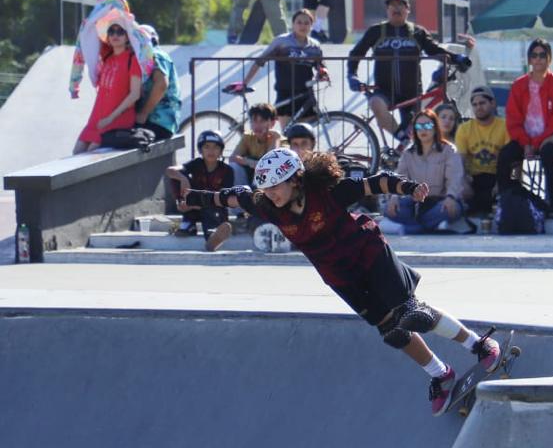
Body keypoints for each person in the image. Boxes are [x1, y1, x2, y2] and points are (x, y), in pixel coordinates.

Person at [182, 147, 502, 415]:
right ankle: (441, 374)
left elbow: (375, 183)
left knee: (411, 313)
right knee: (392, 331)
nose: (271, 194)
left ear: (296, 179)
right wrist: (195, 197)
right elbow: (232, 197)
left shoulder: (329, 193)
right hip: (339, 275)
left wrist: (407, 188)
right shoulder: (266, 204)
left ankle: (479, 344)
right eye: (266, 188)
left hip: (369, 253)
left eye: (277, 186)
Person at [346, 0, 470, 140]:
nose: (396, 8)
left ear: (408, 9)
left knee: (415, 132)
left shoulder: (418, 32)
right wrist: (352, 76)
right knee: (375, 103)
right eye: (392, 5)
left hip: (411, 94)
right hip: (384, 91)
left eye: (401, 5)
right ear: (387, 9)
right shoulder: (376, 31)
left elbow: (434, 50)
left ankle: (402, 151)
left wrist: (456, 58)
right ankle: (400, 138)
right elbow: (356, 53)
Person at [497, 38, 553, 213]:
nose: (538, 59)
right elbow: (513, 118)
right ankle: (506, 201)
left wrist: (537, 143)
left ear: (549, 58)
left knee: (548, 153)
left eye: (542, 55)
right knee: (505, 155)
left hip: (548, 138)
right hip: (524, 139)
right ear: (529, 59)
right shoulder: (519, 85)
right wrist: (526, 143)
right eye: (534, 55)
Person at [239, 8, 323, 130]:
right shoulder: (282, 41)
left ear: (311, 25)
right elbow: (260, 61)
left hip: (306, 94)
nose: (302, 26)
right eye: (299, 22)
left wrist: (323, 73)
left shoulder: (315, 46)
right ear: (293, 24)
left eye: (306, 23)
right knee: (287, 135)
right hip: (285, 92)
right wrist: (245, 83)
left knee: (306, 136)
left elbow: (320, 66)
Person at [384, 109, 465, 234]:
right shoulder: (408, 153)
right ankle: (428, 228)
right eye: (419, 126)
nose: (423, 130)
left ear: (435, 128)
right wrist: (394, 197)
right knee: (389, 209)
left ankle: (408, 229)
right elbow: (399, 179)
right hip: (416, 203)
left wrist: (451, 197)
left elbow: (455, 178)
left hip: (441, 201)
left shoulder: (449, 150)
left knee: (449, 209)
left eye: (427, 125)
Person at [73, 19, 143, 154]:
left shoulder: (132, 59)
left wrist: (110, 118)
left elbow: (135, 94)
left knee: (88, 158)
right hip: (96, 119)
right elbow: (89, 35)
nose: (115, 35)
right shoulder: (107, 57)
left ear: (127, 36)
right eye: (111, 31)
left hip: (116, 120)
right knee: (76, 153)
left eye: (120, 31)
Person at [165, 130, 234, 251]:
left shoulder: (227, 171)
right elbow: (170, 170)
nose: (211, 151)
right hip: (193, 207)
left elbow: (224, 199)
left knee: (210, 214)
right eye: (207, 147)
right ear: (201, 149)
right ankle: (188, 225)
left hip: (214, 208)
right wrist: (182, 178)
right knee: (176, 177)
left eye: (215, 147)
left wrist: (194, 206)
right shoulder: (196, 164)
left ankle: (212, 239)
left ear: (221, 150)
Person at [455, 85, 509, 215]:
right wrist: (463, 182)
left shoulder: (505, 126)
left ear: (493, 103)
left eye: (482, 103)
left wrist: (500, 183)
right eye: (475, 104)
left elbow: (511, 160)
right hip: (474, 178)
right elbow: (459, 161)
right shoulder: (464, 129)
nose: (478, 107)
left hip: (497, 177)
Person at [134, 24, 181, 141]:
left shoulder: (155, 55)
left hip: (159, 121)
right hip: (158, 121)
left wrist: (143, 113)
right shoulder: (144, 57)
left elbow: (161, 85)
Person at [230, 102, 282, 184]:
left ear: (272, 123)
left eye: (262, 121)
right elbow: (233, 158)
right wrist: (253, 163)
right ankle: (240, 194)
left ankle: (259, 196)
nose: (257, 125)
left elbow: (270, 164)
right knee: (234, 166)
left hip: (271, 182)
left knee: (262, 171)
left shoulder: (278, 140)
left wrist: (276, 139)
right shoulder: (248, 136)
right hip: (249, 175)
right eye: (254, 121)